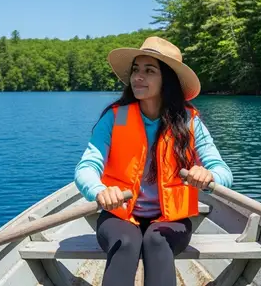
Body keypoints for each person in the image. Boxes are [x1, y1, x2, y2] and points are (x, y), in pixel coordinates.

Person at [74, 36, 233, 286]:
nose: (138, 76)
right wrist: (100, 190)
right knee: (126, 242)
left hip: (171, 219)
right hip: (120, 216)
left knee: (156, 240)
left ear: (167, 80)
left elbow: (223, 172)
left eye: (149, 71)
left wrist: (209, 176)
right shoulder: (114, 118)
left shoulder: (190, 122)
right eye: (136, 70)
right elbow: (86, 168)